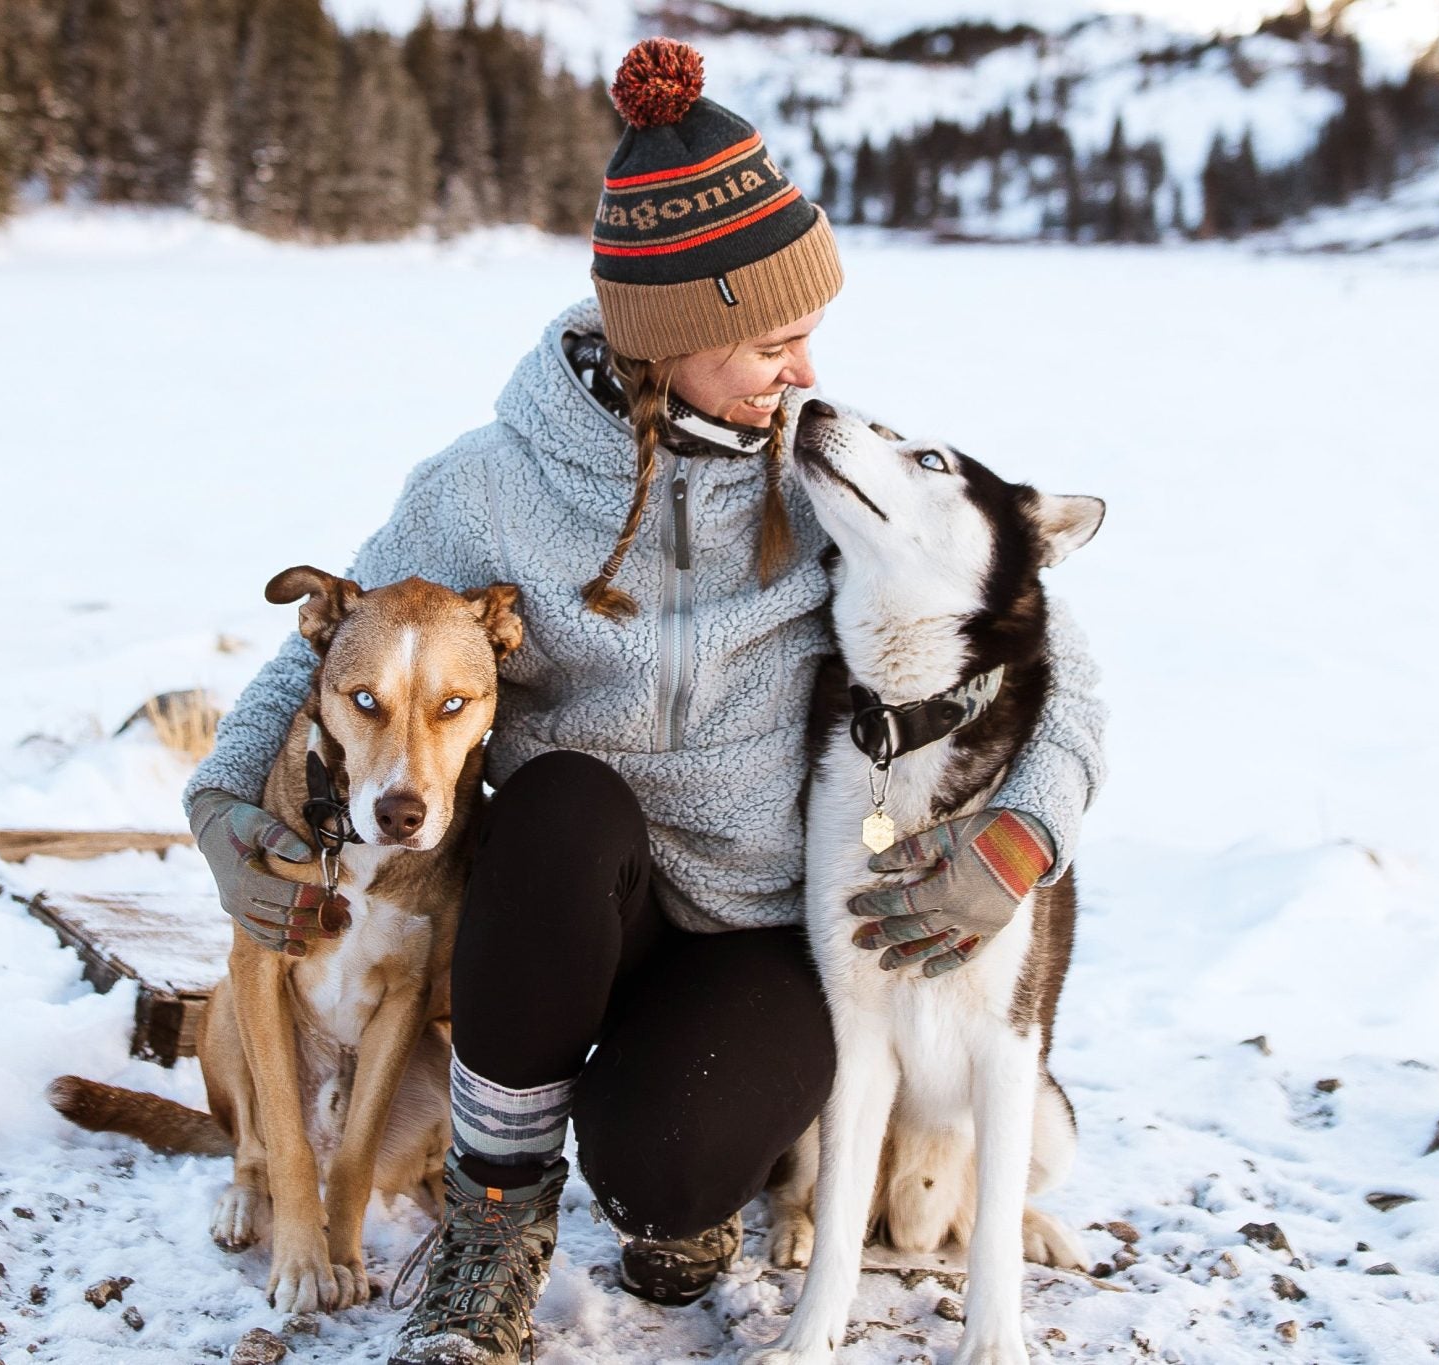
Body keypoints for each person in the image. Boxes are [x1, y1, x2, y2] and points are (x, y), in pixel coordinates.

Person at [182, 38, 1105, 1365]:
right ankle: (492, 1223)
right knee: (558, 802)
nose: (804, 369)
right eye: (771, 338)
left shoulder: (826, 475)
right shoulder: (494, 486)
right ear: (671, 338)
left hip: (761, 934)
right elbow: (328, 652)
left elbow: (1054, 666)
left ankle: (680, 1187)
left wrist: (1022, 834)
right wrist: (221, 801)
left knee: (667, 1175)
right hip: (567, 917)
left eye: (811, 333)